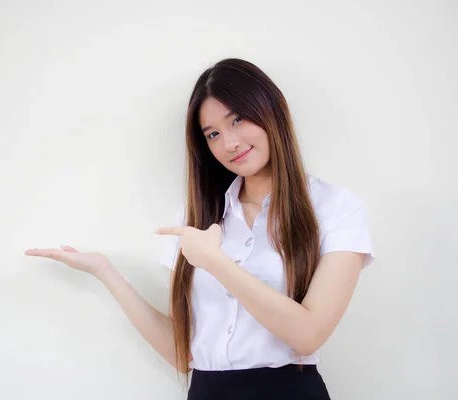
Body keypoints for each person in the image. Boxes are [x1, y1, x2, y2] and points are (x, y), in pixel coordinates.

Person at [25, 58, 375, 399]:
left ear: (271, 110)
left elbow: (308, 334)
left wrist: (215, 261)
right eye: (213, 134)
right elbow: (183, 354)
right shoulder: (197, 219)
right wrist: (105, 272)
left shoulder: (335, 208)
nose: (230, 143)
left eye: (237, 119)